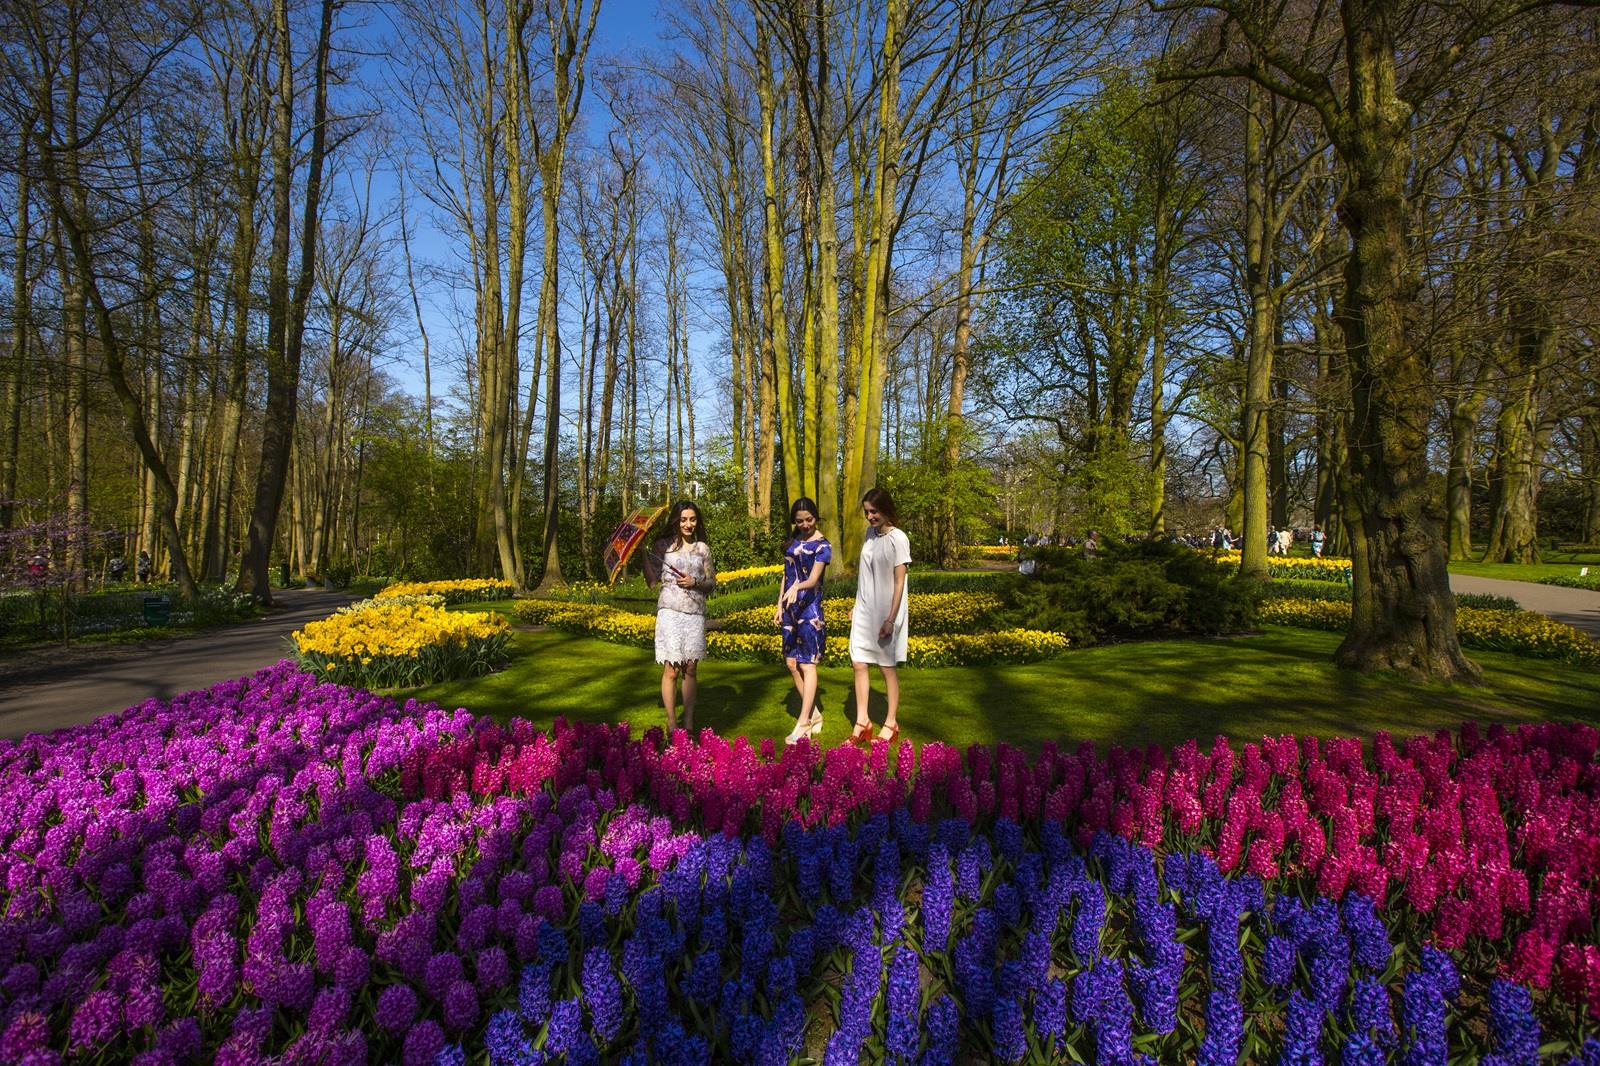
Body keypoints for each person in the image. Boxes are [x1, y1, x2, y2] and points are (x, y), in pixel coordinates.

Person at [643, 500, 716, 734]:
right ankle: (673, 722)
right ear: (676, 520)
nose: (688, 524)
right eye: (683, 519)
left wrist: (695, 582)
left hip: (694, 613)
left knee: (691, 669)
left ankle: (689, 721)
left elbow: (711, 583)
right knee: (672, 669)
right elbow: (652, 582)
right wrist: (643, 556)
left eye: (692, 519)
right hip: (670, 613)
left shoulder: (702, 549)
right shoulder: (662, 546)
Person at [848, 487, 910, 747]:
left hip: (887, 611)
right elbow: (866, 574)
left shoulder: (899, 538)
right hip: (864, 609)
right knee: (859, 662)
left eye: (874, 511)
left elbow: (899, 583)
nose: (870, 517)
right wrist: (856, 605)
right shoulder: (868, 535)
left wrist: (890, 619)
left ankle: (891, 722)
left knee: (886, 667)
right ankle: (862, 722)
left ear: (886, 509)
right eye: (867, 512)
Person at [776, 497, 832, 745]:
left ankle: (803, 722)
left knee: (808, 665)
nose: (805, 525)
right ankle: (815, 714)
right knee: (791, 664)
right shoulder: (793, 543)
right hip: (790, 610)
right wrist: (779, 604)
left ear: (815, 517)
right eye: (799, 521)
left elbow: (814, 581)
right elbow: (786, 576)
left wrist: (796, 587)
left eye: (809, 520)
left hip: (809, 612)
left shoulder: (822, 546)